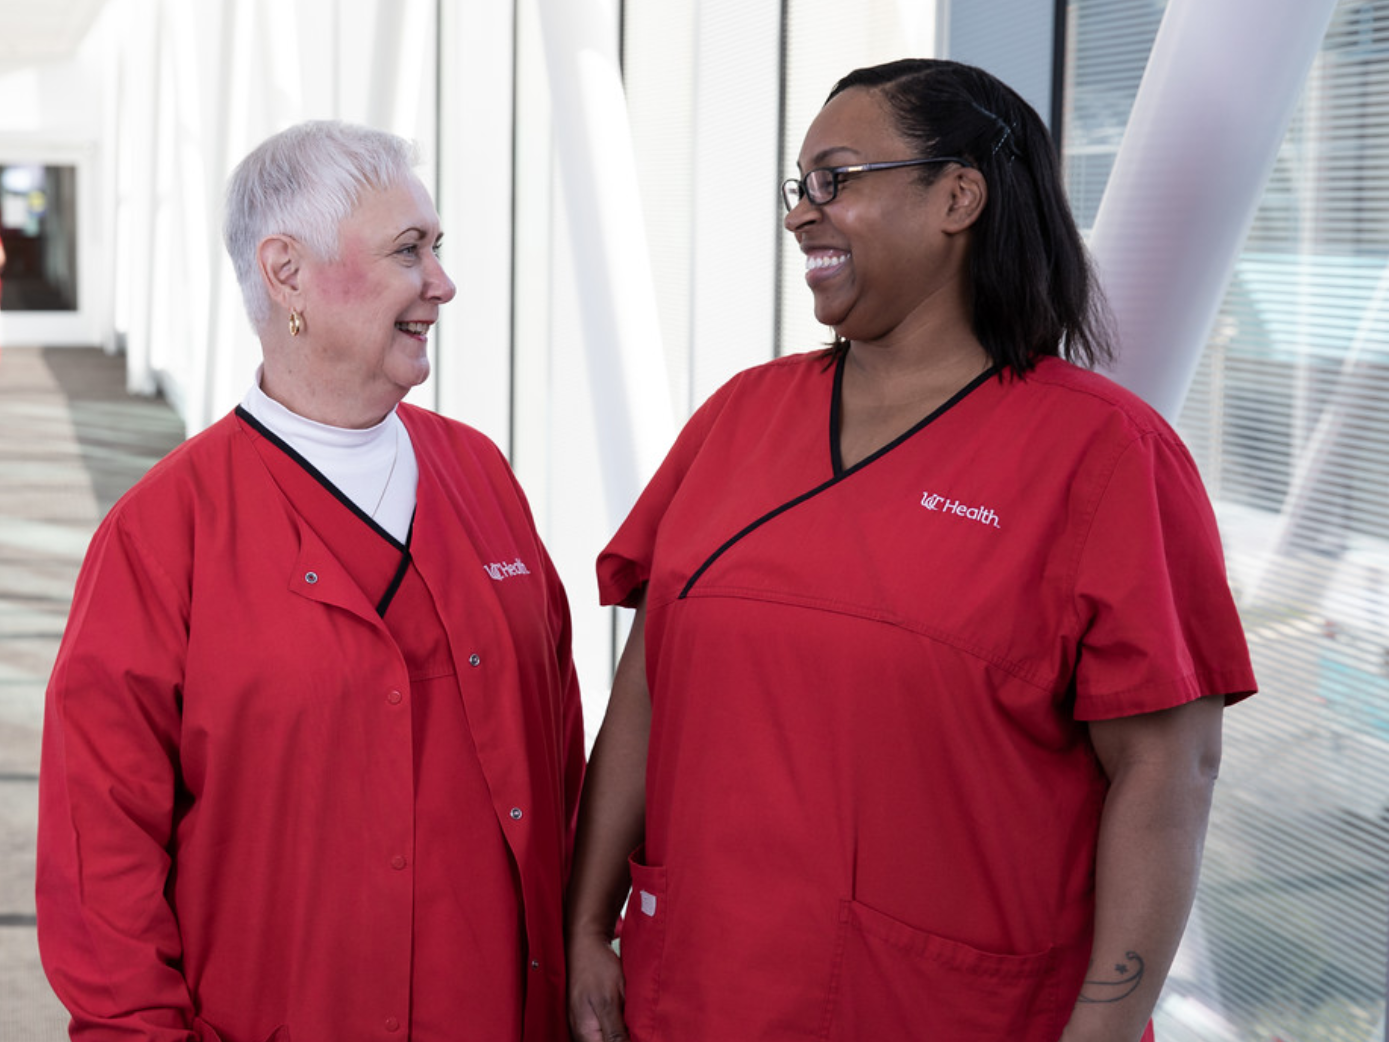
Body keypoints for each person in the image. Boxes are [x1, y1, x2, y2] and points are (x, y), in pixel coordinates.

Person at [566, 58, 1256, 1042]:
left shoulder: (1106, 457)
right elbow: (647, 682)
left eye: (835, 179)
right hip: (700, 995)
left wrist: (1104, 1029)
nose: (803, 214)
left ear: (958, 195)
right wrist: (589, 924)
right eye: (799, 188)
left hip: (951, 1008)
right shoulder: (738, 419)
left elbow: (1168, 771)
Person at [37, 121, 585, 1042]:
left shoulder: (481, 477)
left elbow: (559, 744)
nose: (441, 284)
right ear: (285, 272)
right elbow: (101, 849)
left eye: (437, 248)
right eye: (409, 251)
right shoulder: (165, 532)